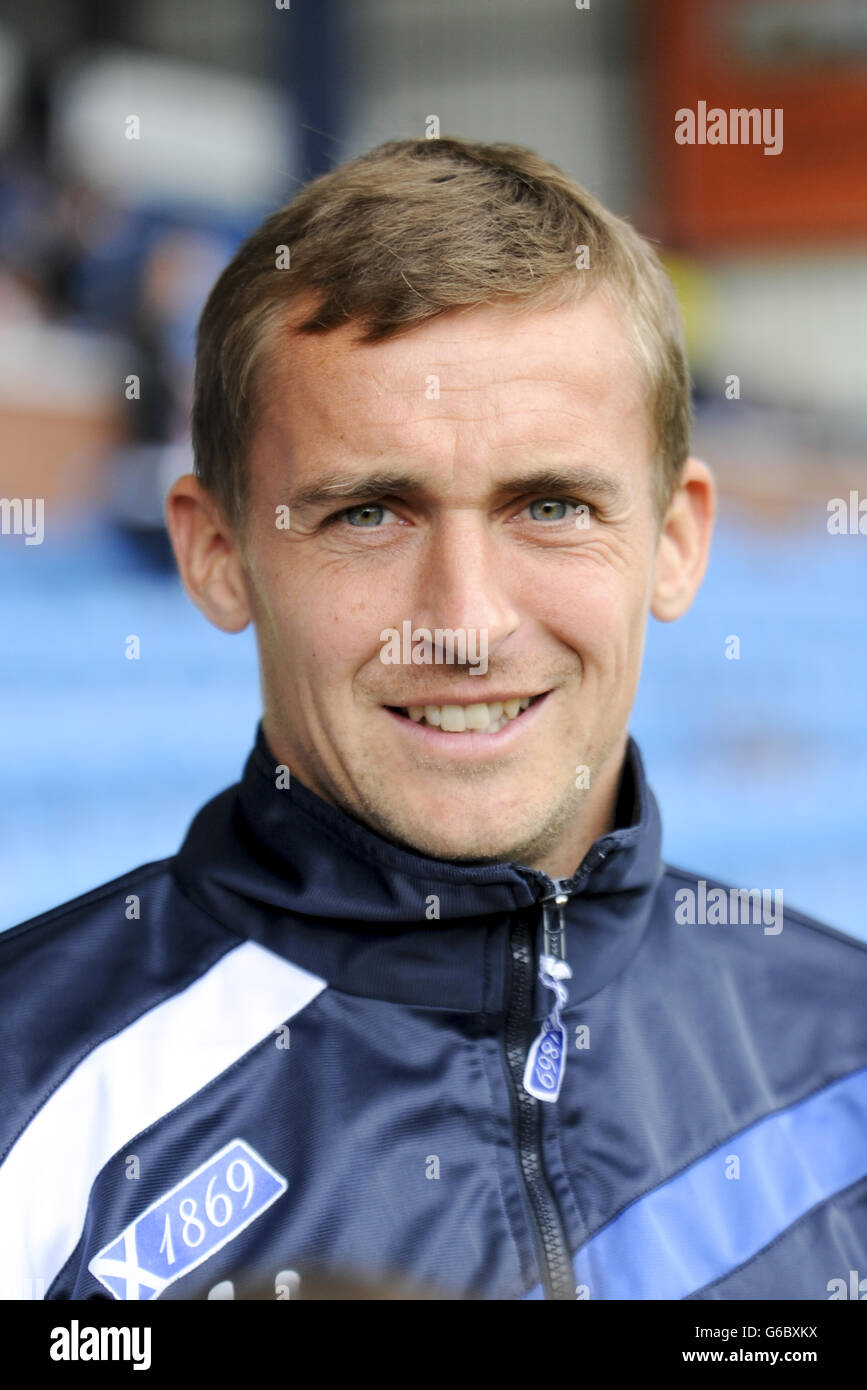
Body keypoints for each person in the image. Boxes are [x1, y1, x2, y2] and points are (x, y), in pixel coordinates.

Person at [2, 137, 866, 1303]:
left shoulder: (845, 1053)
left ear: (677, 541)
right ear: (216, 554)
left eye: (550, 505)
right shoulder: (29, 1111)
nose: (463, 623)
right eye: (369, 513)